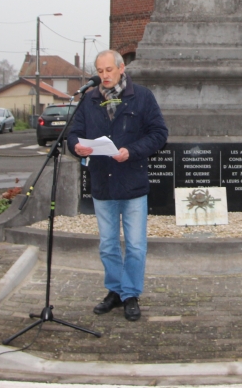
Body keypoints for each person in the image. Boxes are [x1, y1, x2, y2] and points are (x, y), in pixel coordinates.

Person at [67, 50, 168, 322]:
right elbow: (73, 133)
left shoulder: (142, 97)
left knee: (135, 245)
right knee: (108, 244)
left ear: (122, 68)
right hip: (102, 183)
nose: (104, 76)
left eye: (109, 70)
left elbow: (159, 134)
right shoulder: (89, 100)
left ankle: (131, 294)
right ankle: (114, 291)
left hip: (132, 182)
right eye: (100, 71)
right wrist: (76, 146)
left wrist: (131, 151)